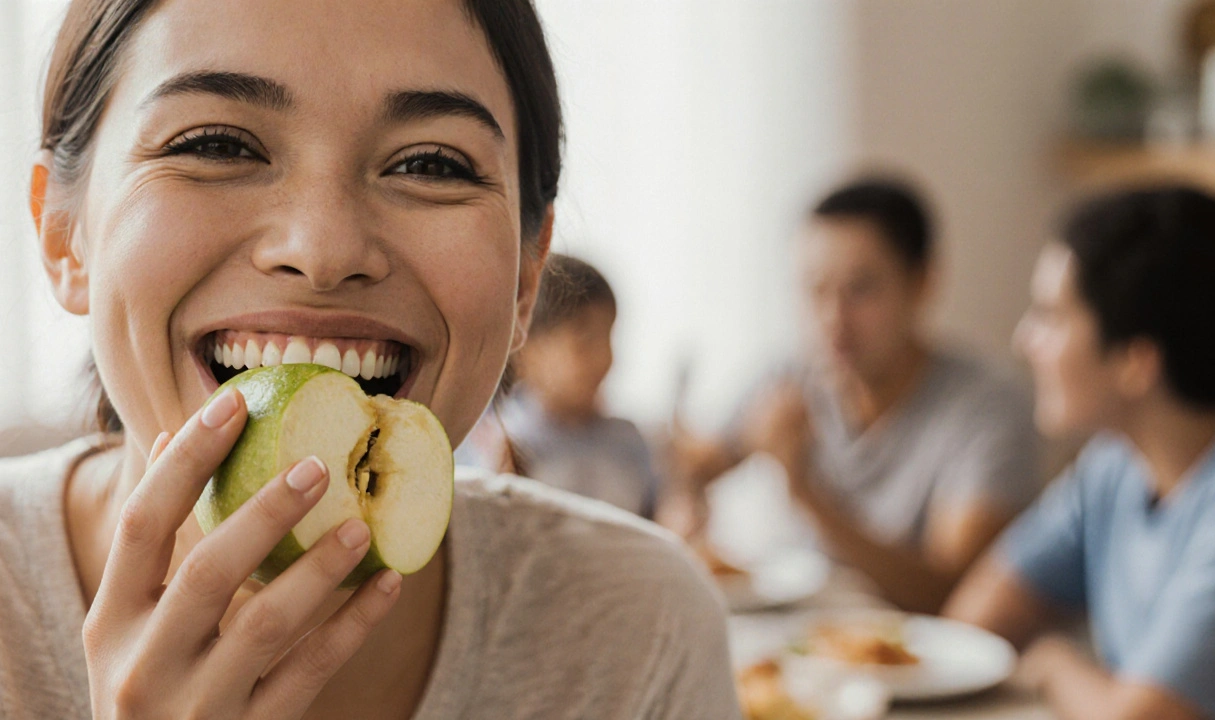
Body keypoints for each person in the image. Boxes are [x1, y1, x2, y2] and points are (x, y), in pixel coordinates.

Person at [0, 1, 741, 719]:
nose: (324, 252)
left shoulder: (641, 626)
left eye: (430, 162)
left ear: (526, 276)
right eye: (216, 145)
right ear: (64, 235)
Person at [945, 186, 1215, 720]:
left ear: (1136, 362)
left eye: (1051, 317)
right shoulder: (1117, 463)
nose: (1024, 339)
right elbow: (972, 622)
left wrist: (1055, 662)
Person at [673, 179, 1039, 614]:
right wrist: (685, 498)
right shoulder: (791, 375)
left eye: (861, 289)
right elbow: (695, 466)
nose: (833, 319)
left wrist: (805, 492)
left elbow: (950, 592)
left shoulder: (987, 408)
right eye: (815, 289)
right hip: (806, 643)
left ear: (922, 283)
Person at [460, 254, 661, 519]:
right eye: (585, 342)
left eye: (608, 336)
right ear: (526, 352)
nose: (603, 357)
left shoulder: (628, 441)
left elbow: (655, 526)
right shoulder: (505, 444)